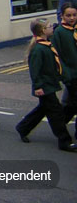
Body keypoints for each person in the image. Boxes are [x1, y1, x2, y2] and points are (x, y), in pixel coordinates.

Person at [16, 18, 77, 151]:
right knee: (56, 114)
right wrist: (37, 86)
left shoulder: (47, 45)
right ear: (43, 30)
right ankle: (64, 141)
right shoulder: (38, 49)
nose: (52, 28)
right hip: (44, 87)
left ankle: (23, 127)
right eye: (50, 26)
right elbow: (35, 71)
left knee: (43, 109)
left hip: (50, 84)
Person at [53, 3, 77, 139]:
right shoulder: (60, 32)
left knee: (71, 104)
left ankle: (59, 124)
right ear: (62, 16)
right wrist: (65, 73)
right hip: (71, 74)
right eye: (68, 15)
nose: (72, 18)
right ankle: (60, 126)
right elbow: (57, 55)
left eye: (74, 15)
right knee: (72, 104)